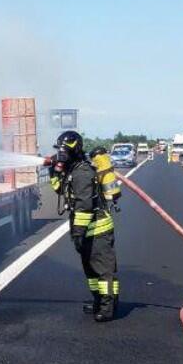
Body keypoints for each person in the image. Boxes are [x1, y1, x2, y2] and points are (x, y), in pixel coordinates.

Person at [48, 132, 119, 322]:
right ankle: (98, 301)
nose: (61, 154)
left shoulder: (82, 172)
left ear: (74, 150)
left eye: (64, 151)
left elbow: (84, 205)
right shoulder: (72, 170)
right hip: (86, 230)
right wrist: (54, 170)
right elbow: (60, 189)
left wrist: (78, 233)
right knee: (90, 271)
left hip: (98, 230)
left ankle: (108, 306)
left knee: (103, 271)